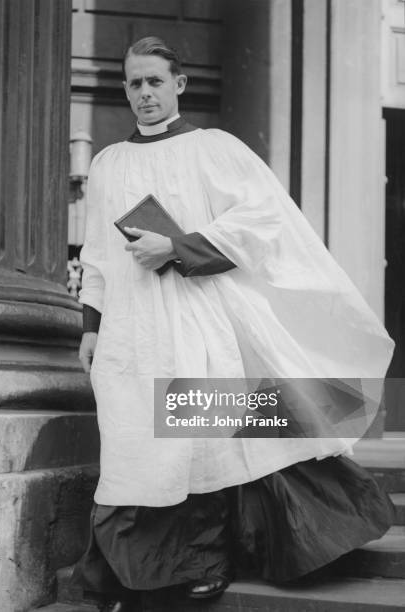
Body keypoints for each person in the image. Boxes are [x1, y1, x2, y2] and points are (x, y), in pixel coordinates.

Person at [74, 37, 395, 612]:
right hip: (133, 327)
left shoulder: (213, 148)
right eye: (133, 83)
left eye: (154, 81)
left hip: (199, 316)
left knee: (202, 436)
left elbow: (262, 217)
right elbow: (97, 255)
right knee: (138, 445)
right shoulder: (107, 164)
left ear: (178, 84)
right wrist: (91, 326)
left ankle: (207, 559)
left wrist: (178, 245)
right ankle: (144, 570)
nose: (144, 93)